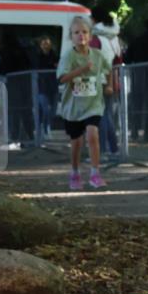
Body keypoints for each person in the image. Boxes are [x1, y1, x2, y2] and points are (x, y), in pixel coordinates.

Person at [57, 16, 113, 190]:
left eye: (84, 32)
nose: (81, 35)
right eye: (76, 32)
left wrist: (109, 85)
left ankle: (95, 174)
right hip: (73, 107)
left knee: (92, 134)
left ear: (90, 35)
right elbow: (62, 79)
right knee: (77, 143)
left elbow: (109, 69)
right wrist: (81, 70)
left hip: (93, 104)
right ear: (71, 37)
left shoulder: (97, 55)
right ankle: (75, 173)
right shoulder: (68, 56)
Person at [90, 6, 122, 157]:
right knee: (107, 115)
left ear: (95, 20)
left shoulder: (96, 39)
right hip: (112, 80)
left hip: (99, 80)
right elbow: (118, 61)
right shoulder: (114, 38)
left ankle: (101, 150)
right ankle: (113, 148)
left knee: (100, 116)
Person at [0, 30, 34, 144]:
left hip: (12, 86)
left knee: (13, 112)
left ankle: (14, 137)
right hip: (24, 86)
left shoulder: (5, 51)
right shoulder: (22, 51)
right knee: (25, 112)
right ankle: (30, 136)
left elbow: (2, 69)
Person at [35, 36, 59, 138]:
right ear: (40, 45)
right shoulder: (37, 56)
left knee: (53, 110)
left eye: (48, 44)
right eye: (44, 44)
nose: (46, 46)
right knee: (45, 109)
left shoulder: (54, 55)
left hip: (53, 86)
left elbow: (58, 66)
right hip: (41, 87)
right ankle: (44, 128)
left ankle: (46, 127)